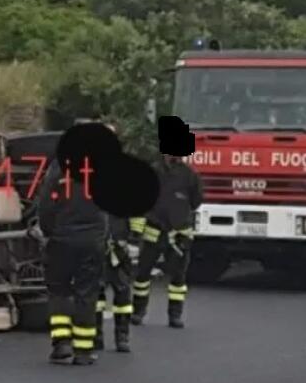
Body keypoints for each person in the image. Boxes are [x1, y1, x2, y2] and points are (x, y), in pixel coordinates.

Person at [36, 158, 108, 365]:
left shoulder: (58, 170)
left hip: (61, 239)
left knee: (59, 291)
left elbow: (45, 206)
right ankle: (84, 351)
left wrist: (50, 232)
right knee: (87, 293)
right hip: (92, 241)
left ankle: (61, 345)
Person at [131, 154, 203, 329]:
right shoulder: (152, 172)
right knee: (142, 275)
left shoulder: (189, 174)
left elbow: (196, 200)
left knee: (178, 277)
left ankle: (175, 315)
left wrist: (179, 214)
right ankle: (138, 312)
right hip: (154, 231)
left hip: (179, 234)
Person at [100, 212, 134, 353]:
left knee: (123, 293)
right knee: (96, 293)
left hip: (120, 249)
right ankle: (96, 336)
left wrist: (134, 241)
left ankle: (122, 336)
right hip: (97, 246)